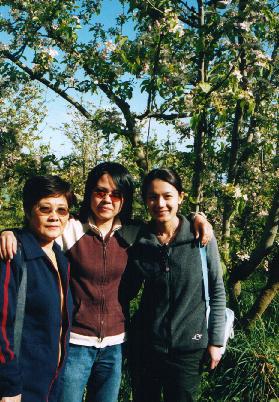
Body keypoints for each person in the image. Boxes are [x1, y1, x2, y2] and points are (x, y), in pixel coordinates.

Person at [0, 162, 212, 402]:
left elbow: (169, 223)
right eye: (100, 192)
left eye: (116, 194)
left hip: (115, 344)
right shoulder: (71, 228)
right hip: (75, 344)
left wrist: (197, 218)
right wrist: (10, 233)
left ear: (125, 199)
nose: (107, 200)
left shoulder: (134, 233)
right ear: (90, 193)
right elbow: (41, 226)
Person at [120, 168, 226, 402]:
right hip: (146, 348)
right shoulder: (139, 240)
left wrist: (216, 341)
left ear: (181, 197)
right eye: (152, 196)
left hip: (189, 348)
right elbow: (124, 293)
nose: (160, 203)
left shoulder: (200, 237)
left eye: (167, 196)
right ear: (145, 200)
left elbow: (217, 290)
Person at [0, 175, 74, 402]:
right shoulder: (14, 256)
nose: (54, 217)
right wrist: (10, 387)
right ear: (28, 211)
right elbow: (1, 326)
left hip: (51, 384)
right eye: (45, 209)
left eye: (62, 210)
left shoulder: (61, 259)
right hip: (20, 386)